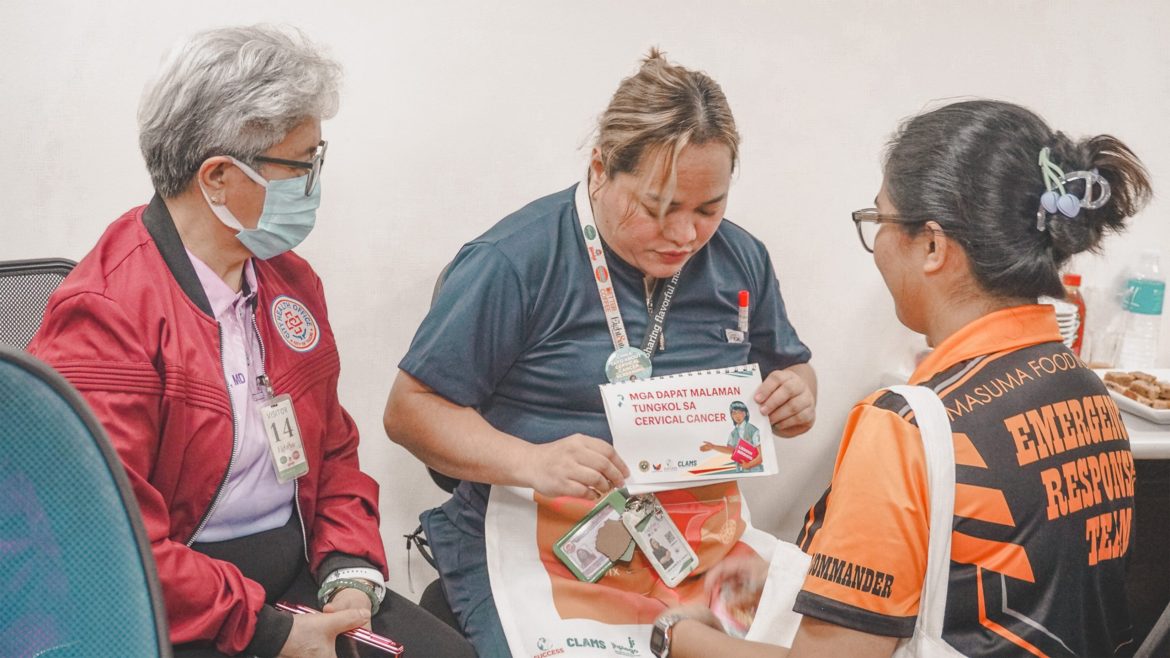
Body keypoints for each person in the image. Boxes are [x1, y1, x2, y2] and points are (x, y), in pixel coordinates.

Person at [28, 25, 472, 658]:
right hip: (179, 602)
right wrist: (269, 630)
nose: (314, 184)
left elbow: (333, 448)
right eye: (301, 166)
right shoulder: (104, 315)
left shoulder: (288, 281)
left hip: (293, 572)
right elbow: (106, 539)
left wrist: (350, 567)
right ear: (217, 177)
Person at [656, 100, 1151, 657]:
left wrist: (677, 637)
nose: (878, 247)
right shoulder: (1088, 390)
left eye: (880, 221)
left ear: (934, 246)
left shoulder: (908, 426)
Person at [384, 49, 817, 655]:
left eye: (709, 209)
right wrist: (530, 461)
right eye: (659, 208)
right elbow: (410, 410)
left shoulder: (740, 259)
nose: (686, 235)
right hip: (547, 535)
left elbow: (790, 366)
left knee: (834, 636)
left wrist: (799, 393)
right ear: (600, 169)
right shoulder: (514, 262)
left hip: (698, 539)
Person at [700, 400, 763, 472]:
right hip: (740, 471)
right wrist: (713, 446)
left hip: (755, 470)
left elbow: (761, 456)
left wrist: (749, 465)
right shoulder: (733, 433)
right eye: (734, 413)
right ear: (731, 416)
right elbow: (731, 450)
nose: (737, 416)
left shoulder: (753, 430)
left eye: (740, 412)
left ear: (745, 413)